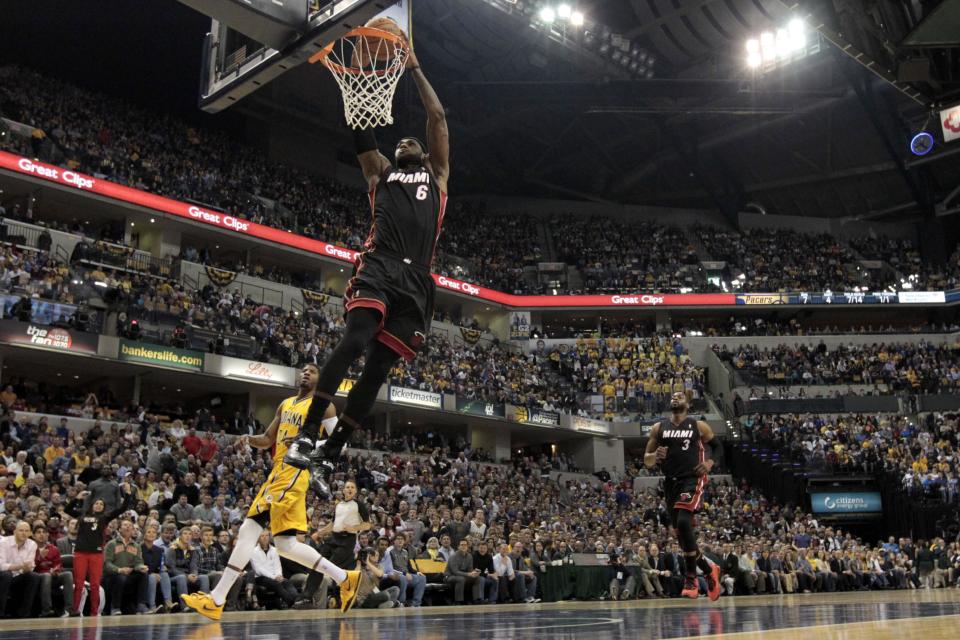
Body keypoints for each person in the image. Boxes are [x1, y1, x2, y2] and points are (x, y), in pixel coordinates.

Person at [283, 41, 451, 496]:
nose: (405, 143)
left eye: (409, 141)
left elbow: (437, 118)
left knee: (376, 371)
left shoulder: (437, 176)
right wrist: (356, 78)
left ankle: (330, 454)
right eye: (399, 142)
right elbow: (361, 132)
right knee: (355, 339)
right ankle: (306, 434)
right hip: (380, 265)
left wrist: (414, 66)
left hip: (417, 282)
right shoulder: (380, 173)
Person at [179, 364, 360, 621]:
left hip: (295, 470)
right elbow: (266, 439)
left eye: (313, 371)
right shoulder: (285, 404)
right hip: (278, 470)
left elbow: (339, 445)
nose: (306, 373)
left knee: (248, 530)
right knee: (286, 545)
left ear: (320, 379)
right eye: (304, 370)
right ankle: (345, 578)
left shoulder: (324, 405)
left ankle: (216, 599)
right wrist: (248, 439)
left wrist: (305, 443)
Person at [643, 391, 722, 601]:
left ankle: (691, 578)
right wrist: (654, 456)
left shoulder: (698, 425)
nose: (675, 398)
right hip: (670, 483)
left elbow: (717, 446)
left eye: (680, 396)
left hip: (692, 478)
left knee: (685, 524)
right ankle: (708, 569)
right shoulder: (658, 428)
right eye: (673, 396)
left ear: (688, 404)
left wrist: (709, 463)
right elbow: (647, 460)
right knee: (681, 535)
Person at [66, 481, 135, 616]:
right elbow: (68, 510)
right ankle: (74, 610)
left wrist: (127, 493)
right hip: (80, 553)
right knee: (79, 584)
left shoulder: (105, 517)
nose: (98, 505)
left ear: (103, 507)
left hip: (96, 554)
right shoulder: (83, 516)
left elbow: (123, 508)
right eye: (96, 503)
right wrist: (78, 499)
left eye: (101, 504)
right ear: (92, 505)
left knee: (95, 585)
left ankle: (94, 613)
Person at [316, 480, 372, 571]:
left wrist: (354, 528)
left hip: (347, 539)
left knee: (330, 566)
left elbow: (368, 525)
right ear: (343, 490)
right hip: (334, 537)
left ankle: (332, 584)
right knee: (319, 561)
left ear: (355, 491)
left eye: (352, 487)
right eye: (348, 487)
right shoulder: (338, 504)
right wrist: (321, 532)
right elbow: (333, 524)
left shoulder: (359, 505)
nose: (350, 489)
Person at [103, 519, 149, 615]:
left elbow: (138, 562)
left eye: (130, 525)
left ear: (133, 530)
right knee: (121, 577)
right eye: (125, 525)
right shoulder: (112, 544)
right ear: (119, 529)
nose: (128, 527)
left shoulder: (136, 546)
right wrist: (119, 570)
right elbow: (107, 563)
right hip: (112, 576)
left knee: (143, 575)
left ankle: (141, 604)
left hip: (129, 575)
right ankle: (115, 607)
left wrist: (141, 567)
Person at [0, 521, 41, 618]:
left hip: (17, 577)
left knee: (34, 576)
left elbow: (28, 566)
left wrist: (26, 568)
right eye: (21, 530)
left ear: (30, 533)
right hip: (2, 576)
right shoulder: (3, 543)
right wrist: (20, 566)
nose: (24, 533)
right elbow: (1, 566)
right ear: (14, 532)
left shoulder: (32, 545)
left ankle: (24, 613)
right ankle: (0, 613)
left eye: (27, 531)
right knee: (7, 575)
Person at [33, 523, 74, 617]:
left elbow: (58, 564)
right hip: (37, 576)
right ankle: (46, 610)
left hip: (52, 575)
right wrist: (39, 558)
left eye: (44, 532)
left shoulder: (54, 549)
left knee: (68, 574)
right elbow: (31, 567)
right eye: (38, 532)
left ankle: (69, 609)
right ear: (34, 535)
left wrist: (56, 570)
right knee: (46, 575)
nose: (42, 534)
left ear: (48, 535)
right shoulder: (31, 548)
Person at [249, 531, 298, 609]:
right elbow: (258, 569)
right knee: (276, 584)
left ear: (269, 537)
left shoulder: (275, 550)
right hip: (260, 577)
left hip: (275, 576)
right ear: (258, 538)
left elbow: (277, 565)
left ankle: (298, 601)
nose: (265, 538)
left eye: (266, 535)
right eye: (262, 536)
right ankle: (292, 603)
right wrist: (274, 577)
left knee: (287, 582)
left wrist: (279, 575)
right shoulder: (253, 551)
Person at [444, 538, 482, 605]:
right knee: (461, 579)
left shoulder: (469, 556)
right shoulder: (454, 556)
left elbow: (470, 570)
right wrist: (469, 574)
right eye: (462, 545)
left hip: (463, 575)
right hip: (450, 576)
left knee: (477, 578)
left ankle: (475, 599)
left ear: (467, 546)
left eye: (465, 545)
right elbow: (455, 571)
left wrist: (474, 572)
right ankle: (458, 601)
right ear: (458, 546)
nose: (464, 546)